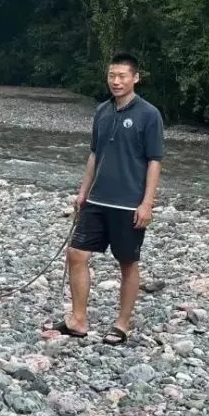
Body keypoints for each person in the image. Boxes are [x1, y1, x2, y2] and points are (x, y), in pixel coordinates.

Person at [56, 51, 164, 345]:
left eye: (122, 76)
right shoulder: (102, 111)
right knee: (76, 254)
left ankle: (122, 324)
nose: (116, 81)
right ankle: (78, 319)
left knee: (127, 262)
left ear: (135, 78)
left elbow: (154, 161)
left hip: (129, 203)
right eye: (112, 76)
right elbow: (95, 154)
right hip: (97, 201)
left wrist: (146, 203)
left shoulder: (149, 115)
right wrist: (82, 193)